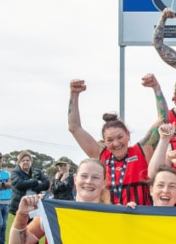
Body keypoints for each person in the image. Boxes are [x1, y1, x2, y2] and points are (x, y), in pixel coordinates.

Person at [67, 75, 166, 206]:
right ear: (105, 141)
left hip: (139, 220)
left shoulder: (141, 151)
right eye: (110, 140)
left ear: (128, 135)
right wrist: (74, 94)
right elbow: (74, 127)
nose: (116, 143)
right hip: (110, 220)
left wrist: (156, 88)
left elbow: (163, 119)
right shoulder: (101, 155)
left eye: (120, 137)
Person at [9, 150, 50, 244]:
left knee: (33, 231)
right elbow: (20, 184)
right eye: (23, 161)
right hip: (20, 207)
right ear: (19, 163)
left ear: (31, 162)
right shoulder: (14, 173)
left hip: (35, 207)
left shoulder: (37, 171)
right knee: (22, 230)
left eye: (28, 160)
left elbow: (46, 184)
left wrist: (34, 185)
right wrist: (36, 181)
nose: (26, 162)